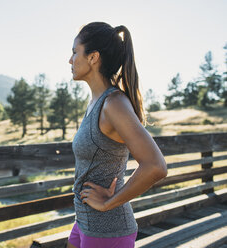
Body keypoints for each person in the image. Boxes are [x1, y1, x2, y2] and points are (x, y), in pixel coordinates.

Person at [67, 22, 168, 248]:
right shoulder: (96, 102)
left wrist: (109, 203)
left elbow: (156, 166)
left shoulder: (114, 104)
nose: (70, 60)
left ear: (93, 57)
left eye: (75, 52)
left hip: (107, 230)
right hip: (84, 221)